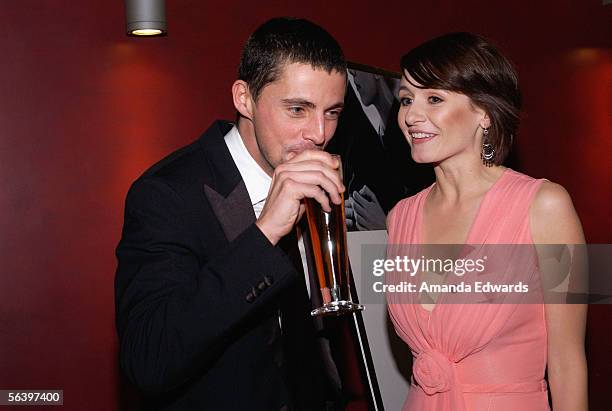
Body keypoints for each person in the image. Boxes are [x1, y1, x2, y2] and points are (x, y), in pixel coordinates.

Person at [115, 17, 350, 410]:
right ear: (245, 98)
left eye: (333, 112)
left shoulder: (327, 177)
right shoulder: (167, 193)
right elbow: (149, 360)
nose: (319, 133)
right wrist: (265, 233)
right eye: (297, 109)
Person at [385, 32, 587, 410]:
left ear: (483, 111)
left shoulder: (545, 206)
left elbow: (568, 362)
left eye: (434, 98)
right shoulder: (400, 218)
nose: (411, 115)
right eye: (406, 100)